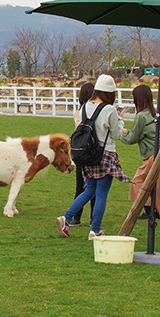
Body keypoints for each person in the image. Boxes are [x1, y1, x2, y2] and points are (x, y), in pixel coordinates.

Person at [56, 74, 128, 240]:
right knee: (101, 194)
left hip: (87, 154)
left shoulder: (84, 107)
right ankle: (95, 230)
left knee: (89, 190)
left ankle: (66, 218)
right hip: (105, 154)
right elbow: (116, 135)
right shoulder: (109, 109)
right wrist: (121, 120)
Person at [121, 84, 160, 219]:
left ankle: (150, 212)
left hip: (155, 154)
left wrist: (119, 134)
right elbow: (142, 133)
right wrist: (128, 131)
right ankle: (154, 212)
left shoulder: (141, 116)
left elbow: (132, 139)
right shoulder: (152, 113)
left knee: (138, 182)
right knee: (158, 184)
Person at [67, 82, 96, 227]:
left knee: (81, 186)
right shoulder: (95, 111)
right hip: (93, 151)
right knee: (94, 186)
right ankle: (93, 218)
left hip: (81, 151)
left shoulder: (79, 112)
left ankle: (76, 217)